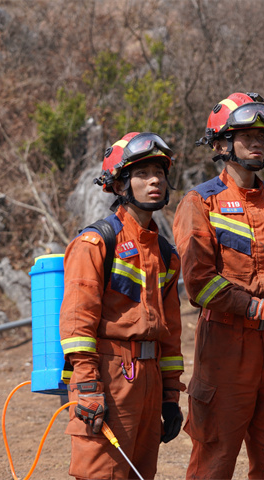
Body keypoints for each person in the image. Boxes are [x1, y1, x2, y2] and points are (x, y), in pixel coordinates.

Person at [173, 92, 264, 479]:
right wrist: (255, 305)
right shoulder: (200, 203)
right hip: (225, 350)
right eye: (245, 135)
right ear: (220, 144)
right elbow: (198, 283)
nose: (256, 143)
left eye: (261, 135)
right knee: (214, 461)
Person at [59, 132, 185, 480]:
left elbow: (170, 332)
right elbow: (76, 323)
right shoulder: (96, 242)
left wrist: (170, 394)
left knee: (141, 474)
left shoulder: (165, 253)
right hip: (109, 374)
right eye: (142, 173)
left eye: (159, 172)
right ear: (119, 184)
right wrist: (86, 386)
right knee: (103, 473)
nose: (155, 180)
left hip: (150, 378)